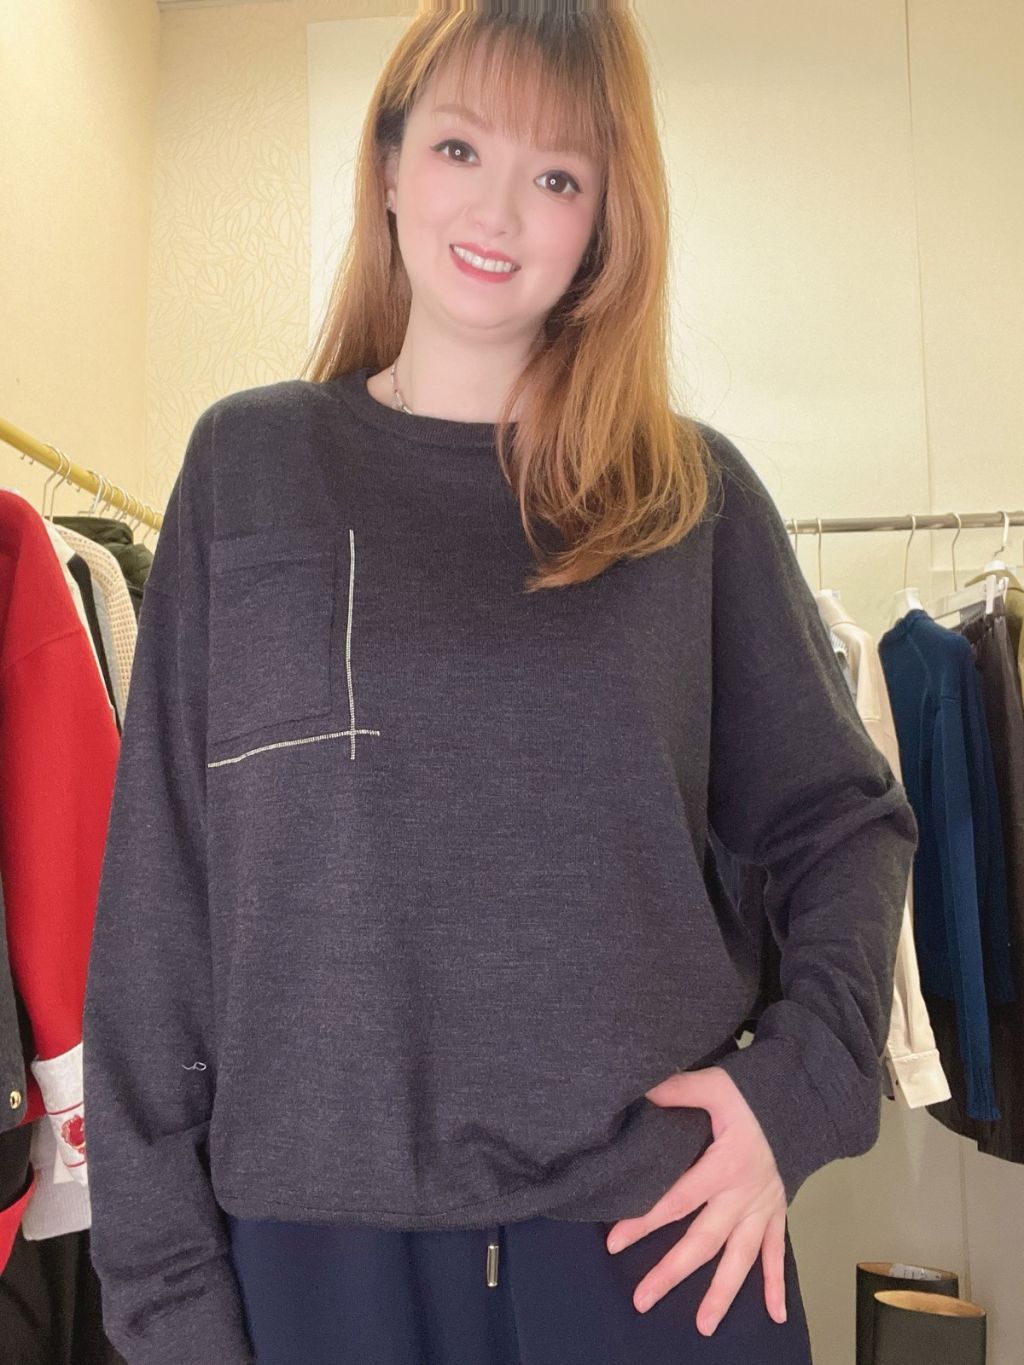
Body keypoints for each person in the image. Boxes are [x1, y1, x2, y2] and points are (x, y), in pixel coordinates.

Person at [82, 3, 919, 1362]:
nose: (500, 210)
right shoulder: (250, 469)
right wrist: (164, 1296)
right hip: (315, 1269)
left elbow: (845, 826)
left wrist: (800, 1093)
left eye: (558, 175)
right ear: (390, 161)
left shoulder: (689, 500)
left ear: (604, 223)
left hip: (657, 1255)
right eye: (462, 148)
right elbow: (157, 910)